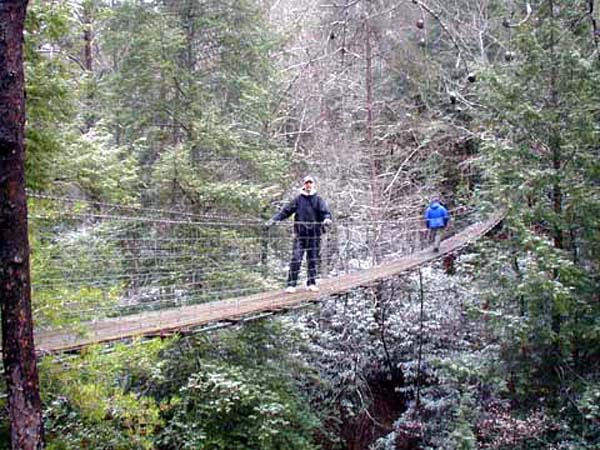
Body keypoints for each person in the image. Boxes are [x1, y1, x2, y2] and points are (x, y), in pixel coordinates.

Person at [265, 175, 332, 293]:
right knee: (296, 258)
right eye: (307, 183)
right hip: (300, 235)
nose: (308, 185)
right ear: (304, 185)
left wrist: (326, 219)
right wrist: (275, 219)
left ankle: (311, 283)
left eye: (310, 183)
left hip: (314, 235)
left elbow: (325, 212)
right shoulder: (298, 199)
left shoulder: (318, 200)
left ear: (313, 184)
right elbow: (286, 211)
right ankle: (291, 284)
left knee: (312, 259)